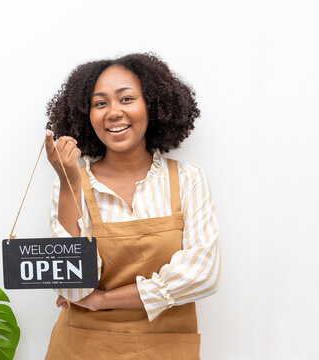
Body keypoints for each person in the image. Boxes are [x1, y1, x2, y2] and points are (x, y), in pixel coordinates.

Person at [43, 53, 220, 359]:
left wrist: (103, 300)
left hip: (165, 348)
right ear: (86, 115)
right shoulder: (70, 184)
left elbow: (201, 274)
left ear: (152, 106)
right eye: (100, 103)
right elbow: (72, 287)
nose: (113, 112)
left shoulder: (188, 179)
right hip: (82, 348)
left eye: (126, 99)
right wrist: (69, 180)